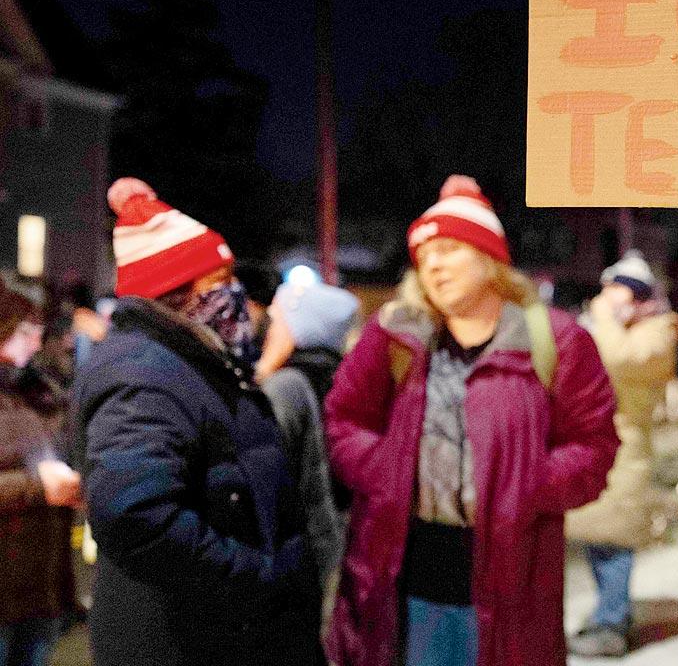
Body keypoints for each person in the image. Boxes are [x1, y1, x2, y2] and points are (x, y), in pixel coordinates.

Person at [324, 175, 618, 666]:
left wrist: (529, 487)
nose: (433, 265)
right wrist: (384, 471)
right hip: (402, 578)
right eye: (424, 255)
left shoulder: (555, 340)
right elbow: (343, 419)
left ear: (488, 257)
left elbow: (593, 443)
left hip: (511, 582)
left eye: (449, 249)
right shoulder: (395, 336)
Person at [72, 178, 321, 666]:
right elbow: (134, 516)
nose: (234, 294)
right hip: (186, 640)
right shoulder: (143, 376)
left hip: (222, 634)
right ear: (176, 293)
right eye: (218, 282)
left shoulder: (191, 363)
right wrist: (255, 574)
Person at [565, 250, 678, 657]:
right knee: (595, 538)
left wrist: (602, 317)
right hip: (595, 443)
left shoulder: (658, 328)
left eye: (621, 290)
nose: (610, 297)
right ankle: (610, 613)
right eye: (609, 288)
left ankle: (611, 624)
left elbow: (618, 359)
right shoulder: (612, 326)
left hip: (627, 450)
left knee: (614, 539)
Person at [256, 281, 359, 591]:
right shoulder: (343, 379)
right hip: (337, 542)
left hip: (296, 554)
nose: (268, 330)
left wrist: (262, 373)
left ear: (300, 329)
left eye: (277, 320)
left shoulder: (285, 387)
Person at [0, 289, 79, 666]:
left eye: (38, 331)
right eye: (24, 330)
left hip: (39, 588)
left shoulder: (38, 391)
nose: (35, 341)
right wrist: (39, 486)